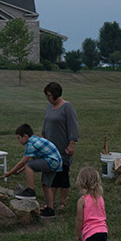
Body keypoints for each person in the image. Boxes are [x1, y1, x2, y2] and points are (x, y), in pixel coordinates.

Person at [4, 123, 63, 218]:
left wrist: (9, 173)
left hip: (52, 161)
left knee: (28, 165)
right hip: (56, 162)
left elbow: (23, 162)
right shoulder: (34, 140)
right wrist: (20, 170)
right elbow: (32, 159)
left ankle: (30, 191)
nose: (18, 140)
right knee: (46, 185)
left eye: (19, 138)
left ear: (25, 136)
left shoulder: (30, 143)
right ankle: (50, 210)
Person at [41, 81, 79, 210]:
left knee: (62, 176)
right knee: (51, 175)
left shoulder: (67, 107)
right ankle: (50, 203)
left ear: (56, 95)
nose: (47, 98)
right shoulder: (49, 106)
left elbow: (73, 126)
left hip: (63, 148)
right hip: (49, 148)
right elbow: (46, 123)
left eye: (49, 95)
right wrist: (43, 138)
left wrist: (72, 143)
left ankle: (62, 203)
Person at [74, 166, 108, 241]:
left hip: (90, 234)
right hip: (103, 232)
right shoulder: (100, 198)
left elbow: (79, 219)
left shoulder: (82, 200)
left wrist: (77, 234)